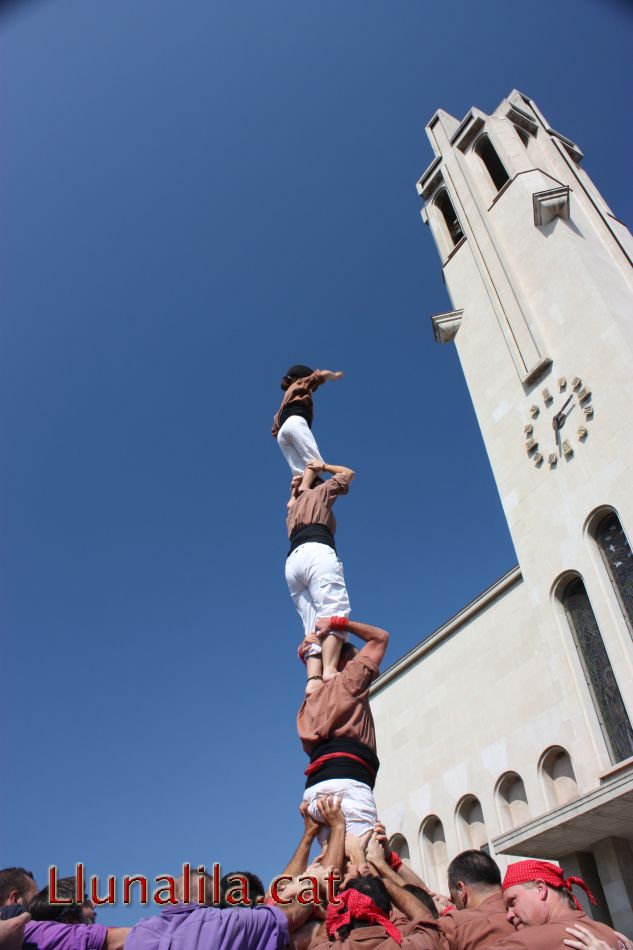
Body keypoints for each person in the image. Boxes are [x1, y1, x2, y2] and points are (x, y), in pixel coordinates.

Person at [297, 617, 389, 859]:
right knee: (364, 865)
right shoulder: (350, 683)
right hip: (349, 788)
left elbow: (314, 682)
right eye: (357, 657)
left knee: (332, 867)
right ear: (346, 661)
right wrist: (338, 623)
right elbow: (380, 637)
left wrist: (310, 656)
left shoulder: (309, 703)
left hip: (315, 793)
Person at [286, 460, 355, 681]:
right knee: (333, 611)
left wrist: (294, 490)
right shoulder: (318, 493)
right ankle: (330, 671)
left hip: (293, 563)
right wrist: (322, 465)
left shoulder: (293, 510)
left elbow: (291, 501)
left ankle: (313, 679)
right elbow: (348, 474)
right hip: (316, 553)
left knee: (311, 625)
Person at [494, 859, 621, 950]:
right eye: (506, 908)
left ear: (540, 889)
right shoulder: (612, 934)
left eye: (513, 902)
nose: (508, 916)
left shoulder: (531, 941)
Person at [307, 876, 440, 949]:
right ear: (389, 913)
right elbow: (424, 918)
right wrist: (387, 884)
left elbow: (318, 940)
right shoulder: (413, 946)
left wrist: (338, 903)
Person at [272, 365, 344, 478]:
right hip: (295, 422)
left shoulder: (285, 401)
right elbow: (323, 374)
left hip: (282, 434)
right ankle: (307, 486)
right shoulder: (301, 383)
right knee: (315, 463)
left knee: (299, 473)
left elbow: (275, 429)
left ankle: (297, 493)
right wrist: (334, 376)